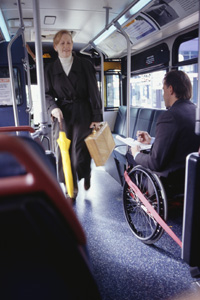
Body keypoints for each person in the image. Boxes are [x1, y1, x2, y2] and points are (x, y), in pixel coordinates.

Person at [44, 29, 103, 201]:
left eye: (69, 42)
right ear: (55, 46)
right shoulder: (50, 69)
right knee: (63, 152)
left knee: (79, 152)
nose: (66, 46)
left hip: (83, 112)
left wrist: (97, 117)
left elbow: (94, 91)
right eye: (62, 43)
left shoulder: (84, 64)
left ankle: (86, 173)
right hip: (62, 114)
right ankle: (71, 187)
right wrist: (52, 107)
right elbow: (47, 94)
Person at [128, 70, 200, 196]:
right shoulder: (196, 111)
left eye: (163, 90)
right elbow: (184, 143)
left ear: (170, 89)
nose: (163, 95)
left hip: (169, 182)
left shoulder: (169, 116)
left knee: (131, 158)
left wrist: (136, 154)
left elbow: (156, 163)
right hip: (191, 177)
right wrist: (152, 141)